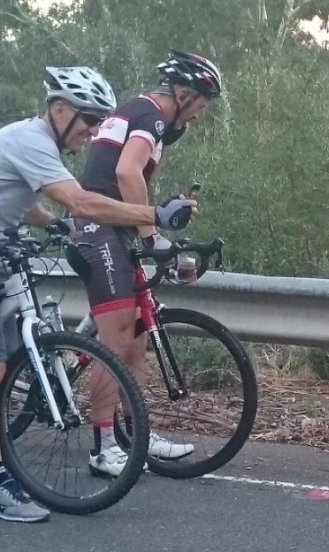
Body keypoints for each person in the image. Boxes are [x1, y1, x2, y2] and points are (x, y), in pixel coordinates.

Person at [0, 66, 197, 522]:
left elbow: (20, 196)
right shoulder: (32, 139)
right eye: (88, 120)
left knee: (7, 363)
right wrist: (152, 214)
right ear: (60, 109)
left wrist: (51, 223)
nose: (92, 133)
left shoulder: (37, 144)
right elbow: (84, 200)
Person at [67, 50, 223, 476]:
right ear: (184, 93)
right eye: (200, 108)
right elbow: (126, 173)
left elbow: (137, 183)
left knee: (136, 341)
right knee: (115, 341)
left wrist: (162, 217)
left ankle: (135, 435)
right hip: (97, 226)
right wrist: (152, 236)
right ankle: (103, 446)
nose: (197, 119)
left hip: (113, 226)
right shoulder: (153, 115)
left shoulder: (141, 111)